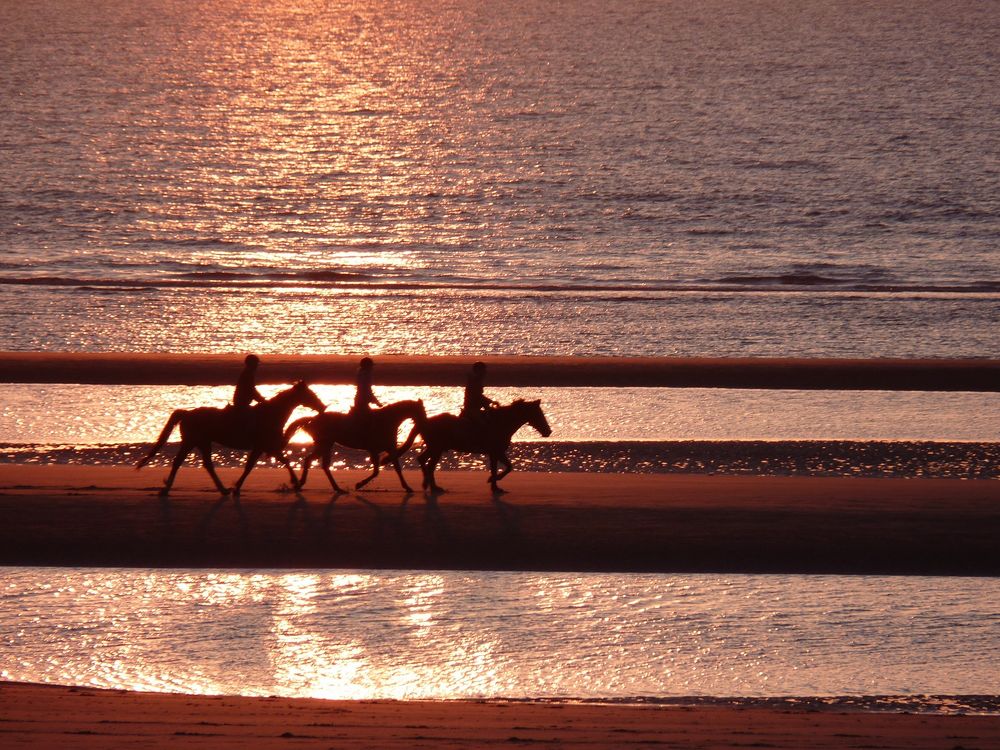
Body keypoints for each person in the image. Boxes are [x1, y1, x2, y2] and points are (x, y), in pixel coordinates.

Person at [231, 354, 264, 434]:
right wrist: (261, 399)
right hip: (241, 402)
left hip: (243, 401)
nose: (257, 366)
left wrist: (260, 398)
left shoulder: (247, 373)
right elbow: (251, 390)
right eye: (256, 364)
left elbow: (252, 390)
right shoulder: (248, 374)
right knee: (252, 418)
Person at [352, 356, 382, 421]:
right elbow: (366, 390)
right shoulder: (366, 375)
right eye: (371, 366)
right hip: (362, 401)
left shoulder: (361, 373)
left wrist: (375, 401)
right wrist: (377, 402)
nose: (372, 368)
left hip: (360, 399)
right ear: (367, 367)